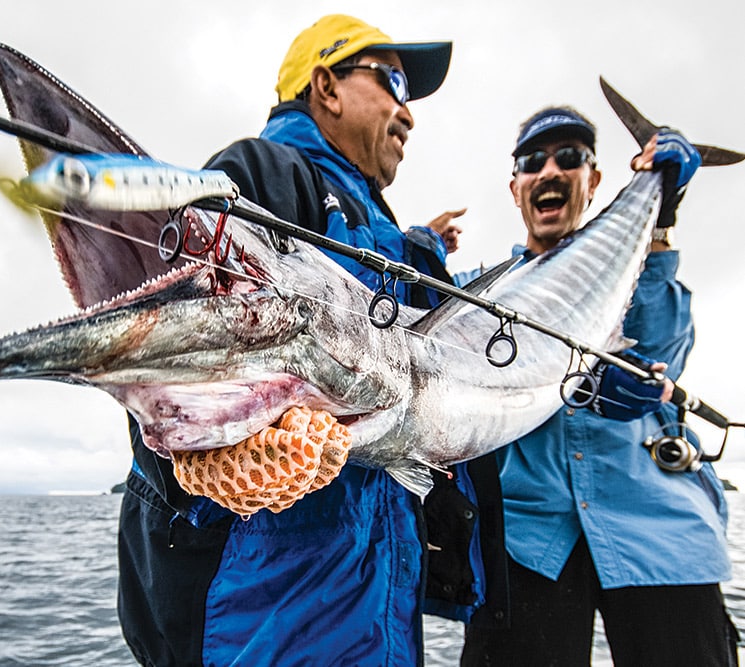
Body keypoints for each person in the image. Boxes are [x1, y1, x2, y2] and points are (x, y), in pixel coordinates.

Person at [116, 15, 491, 667]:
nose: (407, 113)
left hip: (378, 600)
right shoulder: (264, 170)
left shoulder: (384, 231)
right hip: (265, 612)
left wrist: (418, 249)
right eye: (393, 81)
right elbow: (178, 349)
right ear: (327, 85)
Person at [461, 107, 737, 666]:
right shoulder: (476, 291)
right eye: (532, 162)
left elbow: (661, 353)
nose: (550, 171)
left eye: (570, 158)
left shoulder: (634, 265)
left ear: (595, 180)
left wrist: (659, 218)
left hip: (655, 527)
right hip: (528, 538)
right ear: (515, 188)